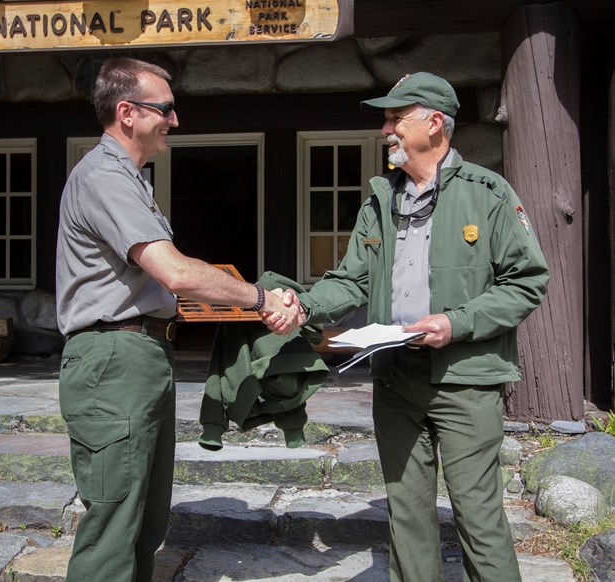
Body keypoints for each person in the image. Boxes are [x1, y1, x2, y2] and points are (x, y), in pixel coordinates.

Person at [265, 72, 550, 581]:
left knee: (479, 518)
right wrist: (304, 307)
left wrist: (456, 323)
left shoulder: (489, 193)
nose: (385, 130)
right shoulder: (379, 199)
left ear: (435, 123)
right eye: (387, 119)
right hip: (395, 380)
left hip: (466, 380)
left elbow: (526, 282)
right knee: (407, 517)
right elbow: (349, 280)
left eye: (397, 118)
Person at [55, 57, 297, 582]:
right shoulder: (104, 176)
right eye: (164, 108)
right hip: (113, 360)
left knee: (143, 523)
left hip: (137, 356)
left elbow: (162, 284)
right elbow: (174, 272)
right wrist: (259, 298)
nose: (175, 119)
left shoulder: (129, 178)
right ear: (126, 112)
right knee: (114, 527)